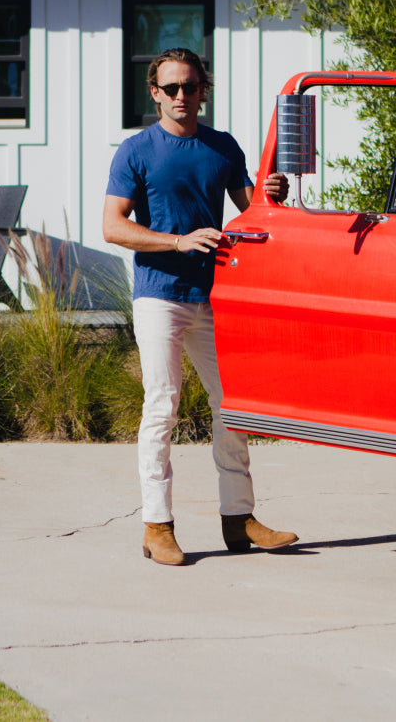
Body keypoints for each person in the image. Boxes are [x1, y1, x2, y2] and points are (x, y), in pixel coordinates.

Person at [103, 46, 298, 566]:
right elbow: (113, 227)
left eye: (191, 87)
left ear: (203, 90)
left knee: (231, 406)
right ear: (155, 93)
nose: (183, 97)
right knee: (162, 407)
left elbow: (251, 212)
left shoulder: (221, 147)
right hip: (159, 295)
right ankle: (157, 525)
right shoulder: (136, 151)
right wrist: (177, 241)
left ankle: (239, 518)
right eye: (172, 89)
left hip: (216, 297)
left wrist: (269, 196)